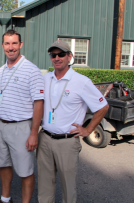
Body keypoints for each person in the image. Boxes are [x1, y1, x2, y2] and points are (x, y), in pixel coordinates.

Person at [37, 40, 109, 203]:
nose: (57, 58)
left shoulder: (81, 81)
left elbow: (103, 106)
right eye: (53, 55)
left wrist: (88, 130)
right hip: (45, 139)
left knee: (68, 188)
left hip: (67, 142)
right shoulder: (45, 78)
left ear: (69, 56)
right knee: (44, 186)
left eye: (61, 54)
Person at [0, 29, 44, 203]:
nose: (11, 47)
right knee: (4, 164)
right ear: (2, 45)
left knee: (25, 170)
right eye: (7, 43)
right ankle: (5, 198)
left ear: (20, 45)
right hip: (1, 125)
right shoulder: (0, 72)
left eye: (14, 43)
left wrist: (34, 133)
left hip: (22, 127)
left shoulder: (31, 70)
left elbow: (39, 103)